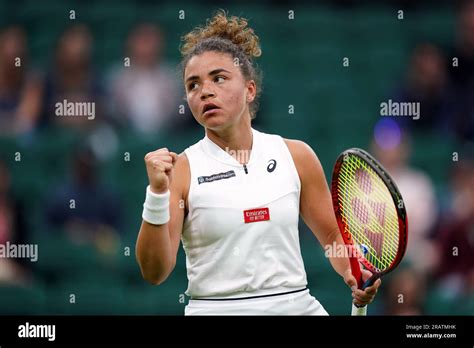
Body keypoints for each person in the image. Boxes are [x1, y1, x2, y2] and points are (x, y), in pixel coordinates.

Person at [135, 11, 381, 315]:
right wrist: (157, 194)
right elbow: (154, 272)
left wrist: (351, 271)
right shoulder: (181, 171)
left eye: (219, 78)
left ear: (249, 90)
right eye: (193, 85)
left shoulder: (296, 156)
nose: (205, 91)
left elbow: (332, 236)